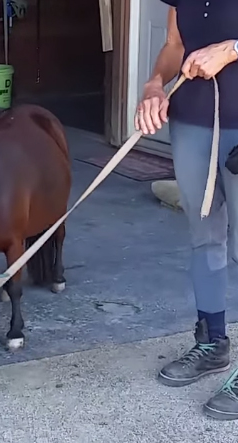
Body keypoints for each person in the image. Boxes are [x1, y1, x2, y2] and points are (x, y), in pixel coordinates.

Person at [135, 0, 238, 420]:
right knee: (204, 236)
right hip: (193, 119)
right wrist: (154, 84)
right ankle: (213, 342)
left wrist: (231, 48)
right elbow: (175, 42)